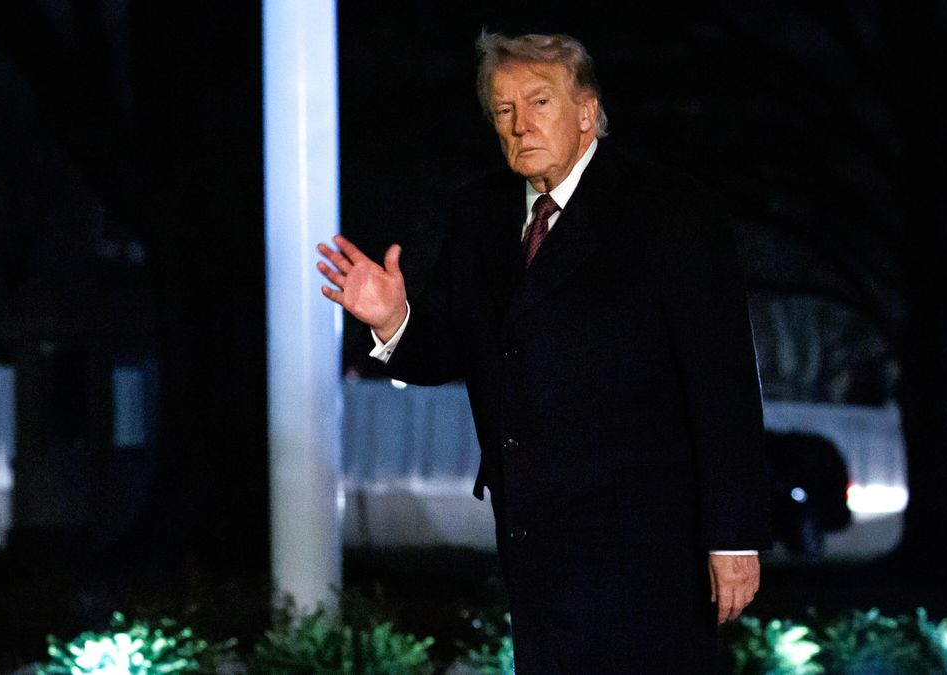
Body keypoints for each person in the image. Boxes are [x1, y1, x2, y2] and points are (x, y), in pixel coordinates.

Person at [317, 31, 770, 673]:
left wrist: (733, 535)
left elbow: (723, 382)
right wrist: (394, 319)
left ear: (587, 112)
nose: (520, 125)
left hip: (649, 543)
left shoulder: (670, 212)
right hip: (536, 538)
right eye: (503, 111)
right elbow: (448, 347)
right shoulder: (478, 215)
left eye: (539, 103)